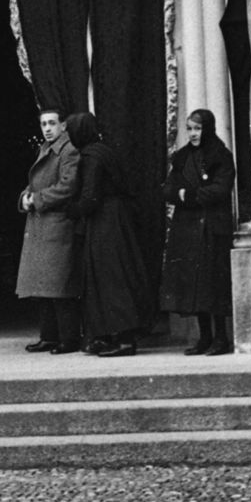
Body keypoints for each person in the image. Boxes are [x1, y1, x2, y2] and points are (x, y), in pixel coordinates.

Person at [64, 113, 152, 357]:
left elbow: (91, 196)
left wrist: (72, 210)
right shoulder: (103, 151)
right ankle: (109, 335)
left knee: (111, 277)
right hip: (114, 219)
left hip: (106, 221)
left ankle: (123, 339)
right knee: (112, 275)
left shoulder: (91, 156)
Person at [160, 109, 236, 356]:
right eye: (190, 128)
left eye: (198, 128)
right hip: (188, 229)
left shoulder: (221, 156)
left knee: (213, 284)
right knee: (195, 285)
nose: (193, 134)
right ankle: (204, 337)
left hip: (212, 228)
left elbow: (221, 189)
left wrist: (188, 195)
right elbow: (168, 188)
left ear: (208, 129)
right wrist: (181, 194)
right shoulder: (181, 157)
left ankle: (221, 339)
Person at [15, 107, 81, 354]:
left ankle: (69, 337)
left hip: (57, 224)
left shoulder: (68, 151)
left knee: (59, 287)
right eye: (44, 124)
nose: (48, 129)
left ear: (63, 125)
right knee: (43, 286)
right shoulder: (45, 148)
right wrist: (24, 197)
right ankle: (49, 336)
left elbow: (68, 186)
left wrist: (37, 199)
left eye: (52, 123)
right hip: (41, 224)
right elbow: (34, 182)